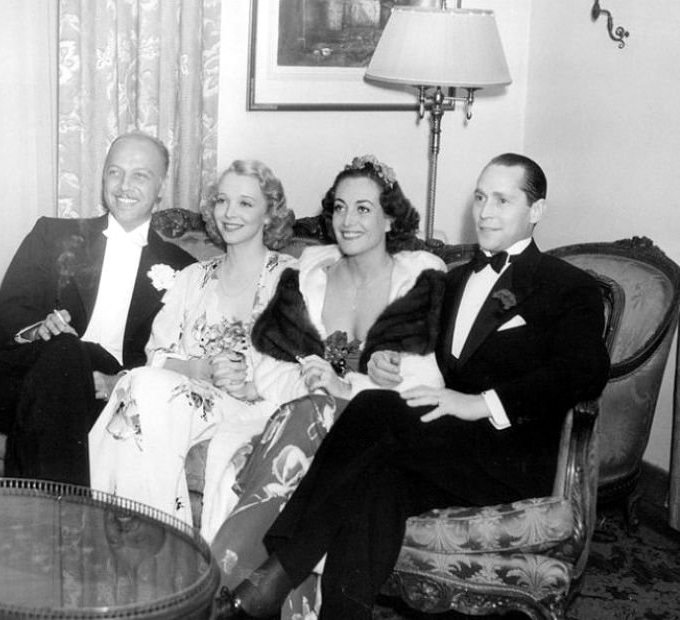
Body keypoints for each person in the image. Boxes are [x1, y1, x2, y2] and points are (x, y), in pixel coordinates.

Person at [215, 153, 611, 619]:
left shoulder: (567, 286)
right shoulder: (453, 280)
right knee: (376, 480)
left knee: (372, 413)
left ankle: (275, 574)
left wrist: (480, 403)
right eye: (481, 197)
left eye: (502, 200)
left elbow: (584, 371)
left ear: (536, 211)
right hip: (445, 448)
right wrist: (385, 360)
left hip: (513, 456)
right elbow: (420, 354)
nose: (485, 211)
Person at [210, 154, 447, 601]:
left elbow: (430, 380)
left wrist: (349, 388)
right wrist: (313, 385)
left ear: (391, 217)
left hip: (376, 434)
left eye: (363, 208)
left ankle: (233, 581)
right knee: (311, 414)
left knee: (317, 419)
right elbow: (268, 362)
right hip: (301, 414)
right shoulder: (307, 275)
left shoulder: (420, 280)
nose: (347, 220)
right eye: (338, 207)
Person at [88, 160, 297, 535]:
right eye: (222, 200)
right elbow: (157, 356)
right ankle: (153, 536)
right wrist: (197, 370)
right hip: (189, 399)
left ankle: (140, 538)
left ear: (270, 214)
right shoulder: (192, 277)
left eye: (246, 203)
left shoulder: (293, 277)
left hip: (257, 404)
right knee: (141, 383)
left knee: (138, 391)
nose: (230, 213)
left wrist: (252, 380)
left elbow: (306, 363)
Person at [0, 132, 195, 486]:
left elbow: (176, 355)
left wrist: (119, 382)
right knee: (65, 351)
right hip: (22, 377)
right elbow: (7, 316)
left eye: (140, 175)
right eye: (114, 172)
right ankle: (69, 521)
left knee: (64, 383)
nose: (124, 185)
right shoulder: (52, 235)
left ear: (161, 187)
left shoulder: (183, 269)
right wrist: (38, 328)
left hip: (108, 392)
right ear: (103, 177)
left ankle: (47, 517)